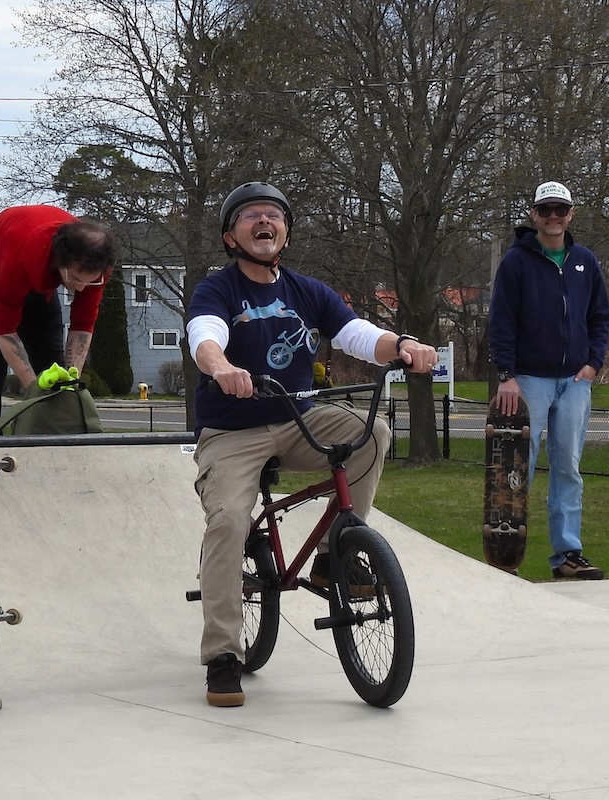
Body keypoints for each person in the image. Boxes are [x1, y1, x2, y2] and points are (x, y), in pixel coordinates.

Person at [187, 181, 438, 707]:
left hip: (298, 419)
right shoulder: (217, 290)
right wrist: (222, 367)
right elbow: (205, 337)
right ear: (230, 236)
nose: (265, 222)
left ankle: (335, 554)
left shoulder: (308, 291)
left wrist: (404, 344)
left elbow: (357, 335)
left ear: (286, 232)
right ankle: (224, 654)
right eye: (251, 215)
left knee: (373, 433)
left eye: (274, 215)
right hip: (232, 432)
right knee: (229, 522)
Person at [487, 181, 609, 580]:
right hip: (528, 380)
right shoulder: (516, 262)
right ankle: (506, 558)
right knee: (517, 469)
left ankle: (568, 555)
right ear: (534, 214)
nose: (553, 217)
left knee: (568, 469)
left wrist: (593, 363)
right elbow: (501, 321)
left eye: (560, 210)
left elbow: (600, 317)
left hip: (574, 381)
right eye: (546, 210)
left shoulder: (585, 261)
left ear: (571, 214)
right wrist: (506, 375)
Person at [0, 205, 119, 427]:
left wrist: (69, 380)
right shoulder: (23, 259)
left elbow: (83, 323)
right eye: (76, 278)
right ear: (61, 261)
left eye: (89, 281)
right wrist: (35, 388)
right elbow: (4, 329)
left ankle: (55, 433)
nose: (81, 288)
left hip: (37, 266)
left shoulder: (98, 266)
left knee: (53, 364)